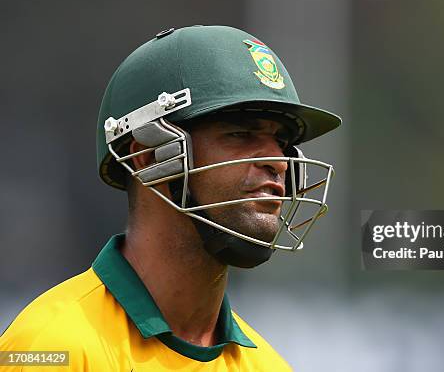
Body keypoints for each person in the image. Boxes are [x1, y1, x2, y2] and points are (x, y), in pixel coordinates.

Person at [0, 25, 341, 371]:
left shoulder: (268, 367)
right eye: (240, 134)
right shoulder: (49, 349)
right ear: (147, 158)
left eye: (281, 142)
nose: (278, 161)